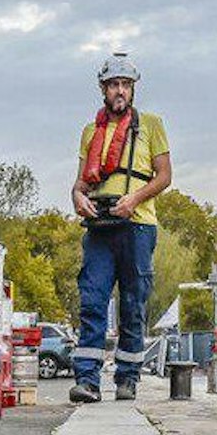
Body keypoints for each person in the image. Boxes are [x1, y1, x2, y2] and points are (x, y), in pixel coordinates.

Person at [68, 52, 172, 403]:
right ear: (103, 88)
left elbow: (165, 177)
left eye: (126, 85)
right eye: (114, 84)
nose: (120, 91)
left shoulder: (152, 125)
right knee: (93, 299)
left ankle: (127, 379)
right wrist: (77, 198)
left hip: (138, 225)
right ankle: (87, 381)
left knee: (133, 303)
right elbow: (80, 184)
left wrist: (134, 200)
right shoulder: (90, 132)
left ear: (133, 89)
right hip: (100, 226)